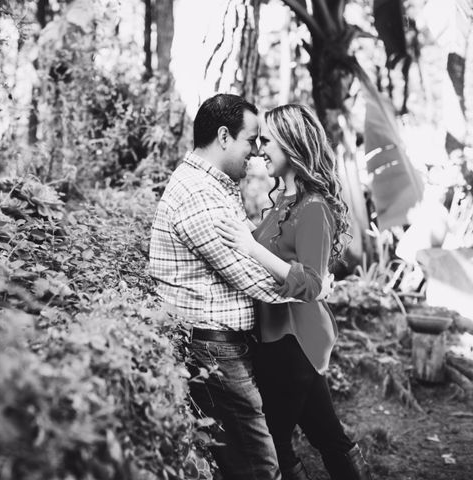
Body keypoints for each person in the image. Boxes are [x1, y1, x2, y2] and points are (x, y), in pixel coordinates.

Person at [149, 94, 316, 480]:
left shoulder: (215, 186)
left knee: (250, 459)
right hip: (215, 349)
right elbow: (252, 276)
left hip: (224, 344)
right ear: (224, 136)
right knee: (259, 466)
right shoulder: (198, 195)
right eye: (251, 140)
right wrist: (312, 287)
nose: (257, 153)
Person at [215, 104, 372, 480]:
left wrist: (249, 246)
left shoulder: (314, 206)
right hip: (282, 338)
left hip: (293, 341)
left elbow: (313, 283)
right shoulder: (284, 202)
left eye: (266, 141)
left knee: (274, 444)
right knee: (328, 436)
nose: (259, 149)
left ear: (291, 143)